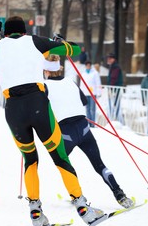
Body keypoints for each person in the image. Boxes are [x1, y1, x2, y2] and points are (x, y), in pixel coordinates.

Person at [0, 16, 104, 226]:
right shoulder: (34, 41)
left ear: (5, 33)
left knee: (30, 161)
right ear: (23, 32)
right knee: (60, 157)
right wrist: (60, 42)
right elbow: (76, 50)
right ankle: (83, 208)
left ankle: (36, 214)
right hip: (38, 105)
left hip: (13, 110)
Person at [43, 54, 134, 208]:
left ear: (47, 71)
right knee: (99, 165)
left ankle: (78, 197)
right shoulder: (70, 82)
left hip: (66, 134)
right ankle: (120, 195)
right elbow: (84, 101)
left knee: (62, 163)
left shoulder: (44, 86)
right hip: (84, 129)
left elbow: (43, 111)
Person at [79, 60, 102, 127]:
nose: (88, 66)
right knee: (87, 108)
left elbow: (98, 82)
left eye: (89, 65)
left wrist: (99, 92)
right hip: (86, 93)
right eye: (87, 65)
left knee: (92, 108)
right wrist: (81, 93)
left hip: (93, 93)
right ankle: (88, 122)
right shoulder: (83, 74)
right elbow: (82, 84)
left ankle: (93, 123)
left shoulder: (95, 73)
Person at [106, 53, 124, 124]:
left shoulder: (115, 67)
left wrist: (111, 88)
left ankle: (115, 120)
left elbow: (113, 78)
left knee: (115, 104)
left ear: (113, 59)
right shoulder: (113, 66)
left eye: (109, 58)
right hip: (114, 88)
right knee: (114, 104)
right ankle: (114, 119)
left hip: (115, 89)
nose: (108, 60)